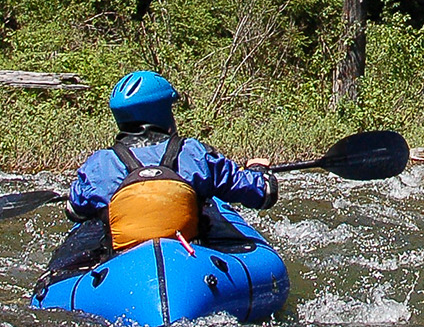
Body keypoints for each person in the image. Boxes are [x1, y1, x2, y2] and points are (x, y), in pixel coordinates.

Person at [38, 71, 277, 286]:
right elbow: (262, 194)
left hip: (123, 268)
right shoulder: (193, 153)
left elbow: (76, 212)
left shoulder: (100, 164)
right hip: (191, 263)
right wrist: (258, 170)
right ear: (163, 112)